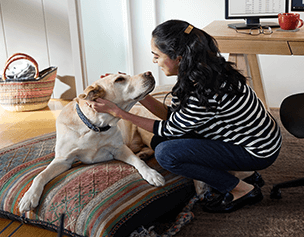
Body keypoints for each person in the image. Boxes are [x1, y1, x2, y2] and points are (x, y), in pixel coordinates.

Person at [90, 19, 282, 213]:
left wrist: (119, 113)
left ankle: (242, 189)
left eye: (156, 55)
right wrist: (137, 93)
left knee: (166, 154)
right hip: (250, 138)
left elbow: (170, 128)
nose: (154, 61)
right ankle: (243, 174)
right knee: (159, 141)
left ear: (179, 58)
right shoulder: (199, 72)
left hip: (257, 151)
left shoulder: (206, 89)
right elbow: (174, 118)